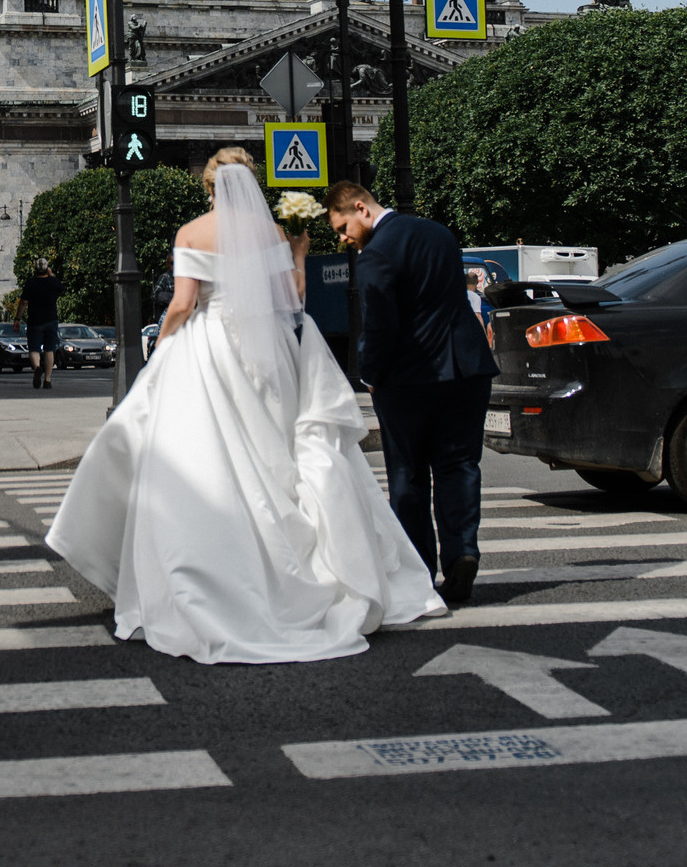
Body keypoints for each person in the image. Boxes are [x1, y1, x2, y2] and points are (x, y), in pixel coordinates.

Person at [48, 150, 445, 663]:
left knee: (201, 458)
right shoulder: (273, 234)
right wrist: (299, 251)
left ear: (209, 188)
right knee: (278, 453)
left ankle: (209, 572)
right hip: (270, 355)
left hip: (209, 348)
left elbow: (184, 304)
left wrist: (161, 347)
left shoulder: (192, 232)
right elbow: (292, 299)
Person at [329, 181, 496, 605]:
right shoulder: (439, 233)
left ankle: (420, 570)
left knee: (409, 475)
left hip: (409, 377)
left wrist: (370, 372)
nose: (345, 239)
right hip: (467, 368)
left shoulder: (376, 256)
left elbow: (381, 327)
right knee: (460, 464)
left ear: (362, 208)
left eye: (343, 227)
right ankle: (461, 554)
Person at [21, 259, 63, 389]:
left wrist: (17, 318)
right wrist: (51, 276)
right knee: (49, 350)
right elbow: (61, 289)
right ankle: (48, 380)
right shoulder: (53, 282)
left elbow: (23, 302)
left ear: (35, 269)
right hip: (51, 320)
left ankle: (38, 367)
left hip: (35, 321)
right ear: (47, 268)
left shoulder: (31, 283)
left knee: (34, 349)